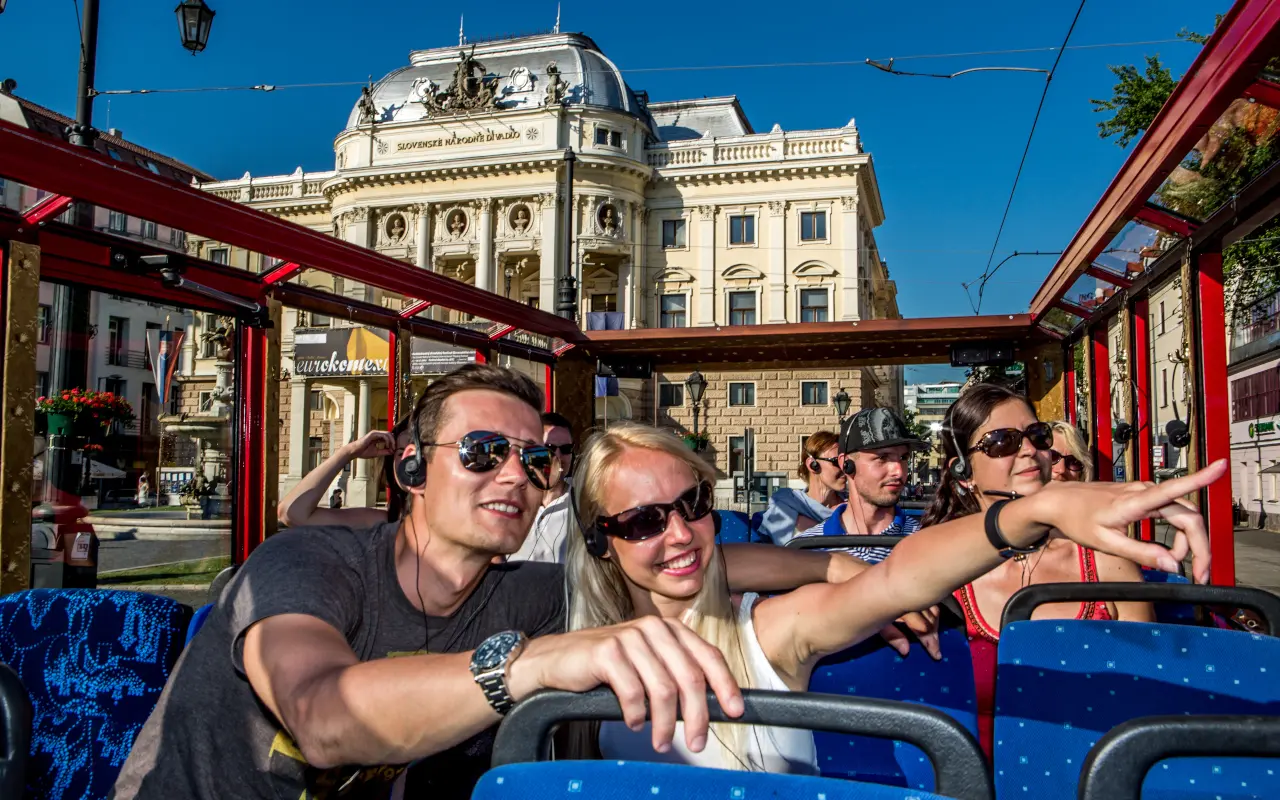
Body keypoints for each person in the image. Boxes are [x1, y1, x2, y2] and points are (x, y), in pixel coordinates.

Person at [110, 364, 912, 800]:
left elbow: (664, 560)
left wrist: (830, 562)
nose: (515, 477)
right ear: (414, 469)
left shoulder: (526, 593)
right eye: (484, 452)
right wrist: (527, 666)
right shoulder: (304, 565)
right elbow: (322, 720)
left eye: (535, 462)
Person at [563, 421, 1215, 772]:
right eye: (645, 521)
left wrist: (1032, 511)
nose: (679, 533)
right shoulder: (570, 640)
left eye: (695, 505)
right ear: (600, 540)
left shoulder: (769, 630)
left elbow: (900, 578)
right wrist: (828, 564)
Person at [922, 383, 1156, 758]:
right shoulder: (938, 570)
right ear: (964, 473)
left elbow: (1148, 691)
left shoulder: (1103, 560)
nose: (1029, 450)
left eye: (1037, 435)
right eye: (1002, 442)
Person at [791, 408, 927, 563]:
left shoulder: (925, 543)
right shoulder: (806, 549)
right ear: (846, 464)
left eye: (903, 457)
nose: (899, 471)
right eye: (882, 457)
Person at [277, 416, 414, 529]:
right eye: (401, 453)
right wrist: (348, 452)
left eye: (418, 453)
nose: (410, 462)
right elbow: (291, 513)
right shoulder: (383, 521)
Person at [509, 411, 576, 563]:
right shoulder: (509, 498)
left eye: (565, 449)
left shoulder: (584, 505)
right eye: (549, 448)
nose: (557, 456)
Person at [757, 431, 845, 546]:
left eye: (846, 462)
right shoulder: (787, 505)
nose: (844, 468)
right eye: (836, 461)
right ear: (813, 465)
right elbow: (785, 555)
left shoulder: (854, 504)